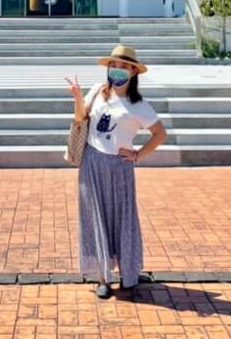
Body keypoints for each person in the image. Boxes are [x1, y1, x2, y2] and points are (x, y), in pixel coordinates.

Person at [65, 45, 167, 299]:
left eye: (122, 66)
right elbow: (80, 119)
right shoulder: (99, 92)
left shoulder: (138, 105)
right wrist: (78, 97)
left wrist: (138, 154)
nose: (116, 70)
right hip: (92, 162)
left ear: (133, 71)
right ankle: (103, 278)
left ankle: (128, 273)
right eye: (113, 65)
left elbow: (159, 133)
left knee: (123, 219)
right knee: (95, 219)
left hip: (120, 167)